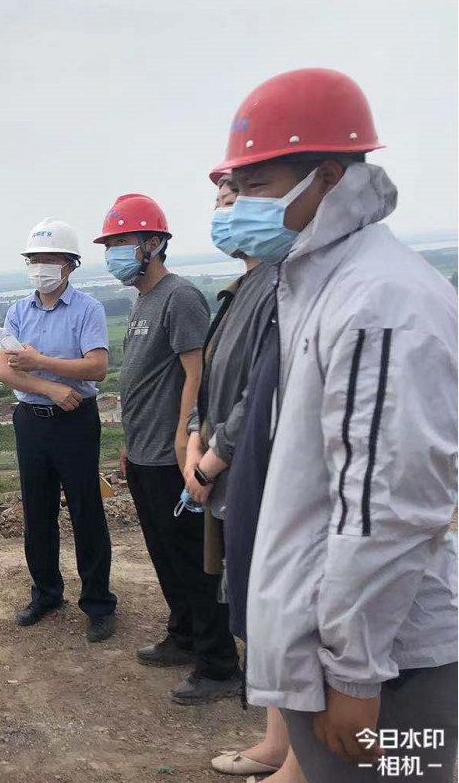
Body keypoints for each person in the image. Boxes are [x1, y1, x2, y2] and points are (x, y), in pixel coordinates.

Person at [209, 68, 458, 781]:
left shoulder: (379, 301)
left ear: (327, 176)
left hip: (389, 660)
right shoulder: (319, 281)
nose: (237, 205)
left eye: (257, 185)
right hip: (335, 635)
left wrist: (354, 673)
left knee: (402, 774)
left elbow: (387, 504)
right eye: (237, 186)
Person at [97, 194, 242, 705]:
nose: (113, 252)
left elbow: (196, 375)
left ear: (154, 243)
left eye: (122, 241)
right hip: (144, 453)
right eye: (109, 243)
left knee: (193, 561)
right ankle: (183, 636)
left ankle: (219, 664)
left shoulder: (180, 296)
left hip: (173, 456)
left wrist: (185, 439)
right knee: (164, 555)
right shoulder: (144, 299)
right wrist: (129, 445)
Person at [184, 176, 304, 779]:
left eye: (232, 202)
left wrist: (211, 458)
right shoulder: (243, 288)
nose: (223, 215)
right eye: (218, 204)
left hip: (261, 474)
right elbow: (215, 383)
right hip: (232, 470)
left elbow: (262, 389)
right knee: (260, 610)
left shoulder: (283, 284)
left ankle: (299, 757)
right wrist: (195, 435)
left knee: (281, 613)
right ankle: (277, 742)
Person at [0, 218, 117, 642]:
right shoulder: (17, 311)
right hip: (32, 420)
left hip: (76, 420)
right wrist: (48, 386)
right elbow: (3, 371)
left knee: (86, 511)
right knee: (37, 511)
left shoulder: (88, 309)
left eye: (49, 259)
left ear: (70, 264)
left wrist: (40, 363)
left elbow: (97, 367)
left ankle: (98, 603)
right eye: (34, 259)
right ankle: (46, 594)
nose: (40, 267)